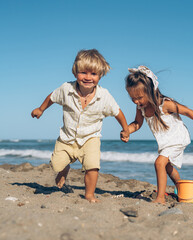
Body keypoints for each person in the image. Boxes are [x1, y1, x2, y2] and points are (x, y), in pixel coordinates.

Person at [31, 49, 129, 202]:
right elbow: (52, 97)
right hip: (67, 137)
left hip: (91, 138)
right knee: (56, 164)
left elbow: (117, 112)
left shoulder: (104, 96)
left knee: (93, 166)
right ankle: (63, 170)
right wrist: (41, 109)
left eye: (93, 74)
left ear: (100, 75)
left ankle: (89, 194)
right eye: (83, 72)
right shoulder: (66, 89)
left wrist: (125, 129)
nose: (88, 77)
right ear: (75, 72)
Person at [124, 66, 193, 204]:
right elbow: (137, 123)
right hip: (165, 142)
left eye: (139, 97)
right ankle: (182, 188)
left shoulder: (165, 104)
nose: (136, 102)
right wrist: (127, 130)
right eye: (132, 98)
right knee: (168, 167)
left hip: (177, 138)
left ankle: (160, 198)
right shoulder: (141, 107)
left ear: (151, 91)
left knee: (159, 162)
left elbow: (186, 111)